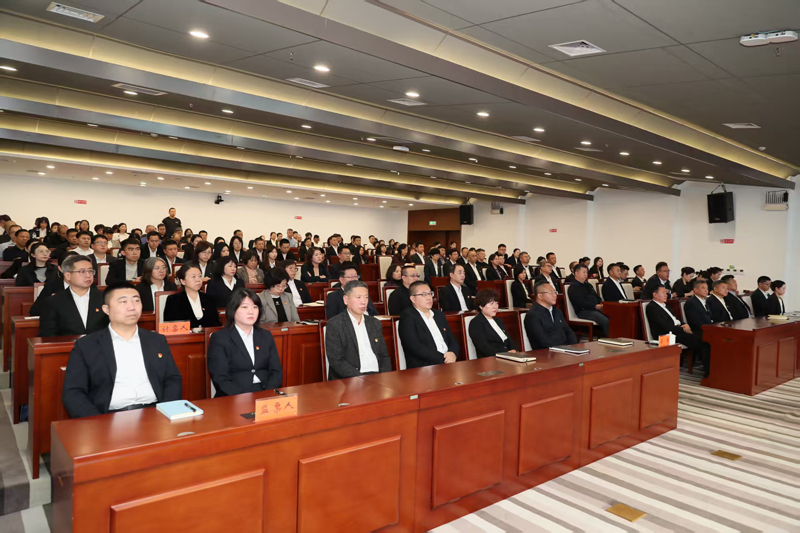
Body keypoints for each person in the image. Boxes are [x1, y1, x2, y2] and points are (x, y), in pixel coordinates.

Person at [61, 282, 182, 418]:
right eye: (123, 302)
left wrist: (166, 412)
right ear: (106, 309)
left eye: (136, 301)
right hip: (107, 416)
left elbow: (173, 379)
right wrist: (96, 422)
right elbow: (73, 392)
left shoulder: (157, 340)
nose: (132, 307)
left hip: (154, 413)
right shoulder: (86, 345)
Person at [207, 288, 282, 396]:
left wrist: (267, 394)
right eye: (245, 307)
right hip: (234, 396)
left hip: (265, 393)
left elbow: (276, 371)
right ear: (233, 310)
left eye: (255, 307)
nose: (251, 311)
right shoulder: (220, 338)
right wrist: (243, 398)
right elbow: (220, 378)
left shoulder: (266, 335)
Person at [325, 280, 392, 380]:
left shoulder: (374, 323)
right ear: (346, 300)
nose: (363, 302)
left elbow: (384, 356)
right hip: (350, 378)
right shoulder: (335, 324)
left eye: (366, 297)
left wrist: (385, 376)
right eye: (358, 297)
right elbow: (336, 360)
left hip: (377, 376)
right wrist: (361, 378)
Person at [646, 286, 710, 376]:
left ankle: (710, 368)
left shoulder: (666, 306)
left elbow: (676, 320)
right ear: (655, 294)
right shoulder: (652, 307)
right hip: (666, 336)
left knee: (706, 338)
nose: (666, 295)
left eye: (666, 293)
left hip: (677, 332)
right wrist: (683, 329)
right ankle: (708, 373)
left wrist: (686, 325)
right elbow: (665, 327)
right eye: (663, 293)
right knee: (704, 342)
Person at [39, 255, 109, 337]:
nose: (88, 275)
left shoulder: (105, 298)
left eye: (90, 271)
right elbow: (47, 336)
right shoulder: (53, 302)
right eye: (82, 271)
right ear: (68, 275)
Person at [398, 281, 459, 368]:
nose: (429, 298)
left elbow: (451, 339)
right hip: (424, 367)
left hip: (448, 362)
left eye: (430, 293)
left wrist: (453, 353)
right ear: (413, 299)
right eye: (423, 295)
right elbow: (415, 347)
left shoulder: (439, 315)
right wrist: (443, 358)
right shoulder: (407, 317)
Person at [163, 263, 221, 328]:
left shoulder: (209, 299)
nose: (198, 280)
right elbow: (170, 326)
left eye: (200, 276)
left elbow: (216, 325)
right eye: (193, 277)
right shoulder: (173, 300)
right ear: (183, 281)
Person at [525, 281, 578, 350]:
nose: (555, 295)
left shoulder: (557, 312)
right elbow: (542, 342)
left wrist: (574, 346)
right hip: (546, 353)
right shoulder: (532, 315)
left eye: (555, 292)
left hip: (564, 350)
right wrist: (564, 348)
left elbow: (569, 332)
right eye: (551, 292)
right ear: (540, 296)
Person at [469, 290, 517, 358]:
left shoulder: (499, 321)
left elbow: (509, 340)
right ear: (481, 306)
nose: (495, 307)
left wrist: (513, 350)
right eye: (491, 303)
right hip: (491, 359)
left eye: (496, 303)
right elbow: (484, 348)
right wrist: (505, 354)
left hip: (509, 356)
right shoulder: (476, 323)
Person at [568, 264, 609, 336]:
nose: (586, 274)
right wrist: (595, 306)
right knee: (605, 320)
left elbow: (597, 297)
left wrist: (600, 303)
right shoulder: (573, 287)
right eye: (583, 272)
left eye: (586, 272)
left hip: (595, 308)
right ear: (576, 273)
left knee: (614, 316)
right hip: (584, 311)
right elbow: (580, 302)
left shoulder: (588, 285)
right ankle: (609, 338)